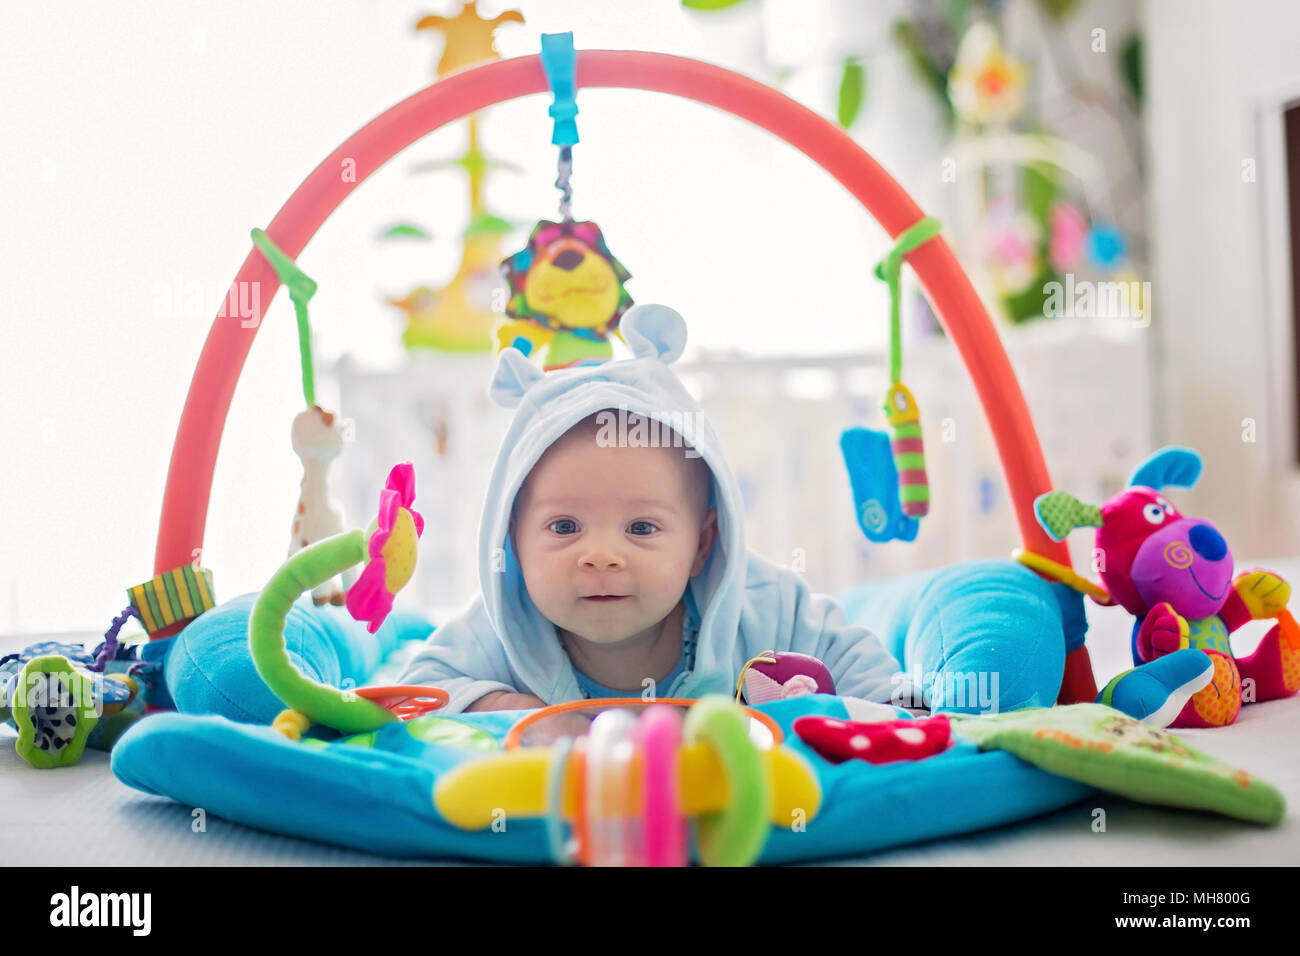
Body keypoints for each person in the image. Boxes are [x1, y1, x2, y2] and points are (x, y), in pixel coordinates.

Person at [396, 304, 909, 716]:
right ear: (514, 541)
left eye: (641, 527)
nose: (600, 556)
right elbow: (416, 690)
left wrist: (898, 709)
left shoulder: (764, 606)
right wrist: (508, 707)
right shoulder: (502, 626)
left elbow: (861, 665)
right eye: (564, 526)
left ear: (703, 544)